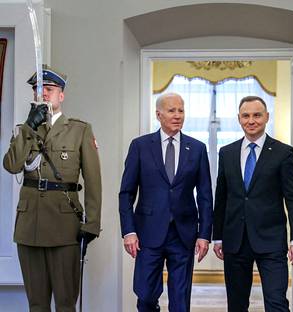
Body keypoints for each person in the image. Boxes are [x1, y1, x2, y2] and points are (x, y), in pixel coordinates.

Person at [2, 65, 102, 312]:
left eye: (49, 89)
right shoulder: (23, 130)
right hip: (30, 228)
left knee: (66, 304)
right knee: (37, 304)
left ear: (61, 95)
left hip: (64, 228)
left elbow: (93, 181)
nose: (43, 94)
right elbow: (12, 165)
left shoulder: (79, 130)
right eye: (39, 89)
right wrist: (28, 127)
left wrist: (91, 223)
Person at [119, 92, 213, 312]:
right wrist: (128, 231)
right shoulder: (140, 146)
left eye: (181, 110)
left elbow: (206, 195)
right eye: (172, 110)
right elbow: (126, 193)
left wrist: (204, 234)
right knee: (145, 295)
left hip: (184, 234)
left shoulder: (197, 148)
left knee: (180, 299)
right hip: (147, 233)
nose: (178, 115)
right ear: (158, 114)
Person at [212, 95, 293, 312]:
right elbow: (222, 198)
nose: (251, 120)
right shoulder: (227, 153)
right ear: (239, 118)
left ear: (266, 117)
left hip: (271, 241)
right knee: (236, 305)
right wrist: (217, 236)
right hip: (235, 241)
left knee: (276, 303)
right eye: (246, 116)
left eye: (257, 115)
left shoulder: (283, 152)